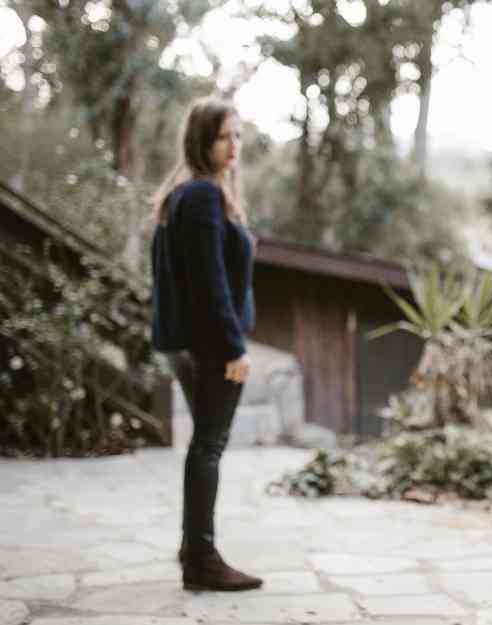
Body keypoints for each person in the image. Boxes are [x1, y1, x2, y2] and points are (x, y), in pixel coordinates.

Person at [150, 97, 261, 591]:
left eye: (237, 135)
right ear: (201, 141)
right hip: (210, 347)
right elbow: (209, 282)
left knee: (204, 445)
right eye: (223, 136)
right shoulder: (200, 197)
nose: (233, 145)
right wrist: (234, 347)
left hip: (194, 345)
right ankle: (201, 558)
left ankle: (194, 548)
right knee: (208, 447)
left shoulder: (186, 195)